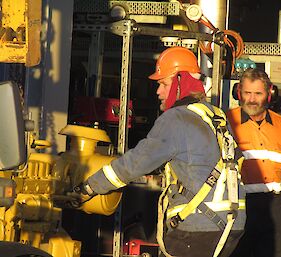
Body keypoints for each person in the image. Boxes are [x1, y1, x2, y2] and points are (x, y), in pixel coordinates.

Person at [74, 46, 245, 257]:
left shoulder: (176, 118)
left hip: (199, 226)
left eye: (163, 84)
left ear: (180, 82)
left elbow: (135, 163)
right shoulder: (214, 115)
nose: (158, 92)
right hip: (230, 223)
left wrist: (90, 187)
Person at [227, 68, 281, 257]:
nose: (251, 99)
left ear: (269, 95)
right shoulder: (226, 123)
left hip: (275, 210)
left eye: (258, 93)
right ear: (238, 93)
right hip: (239, 208)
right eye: (247, 93)